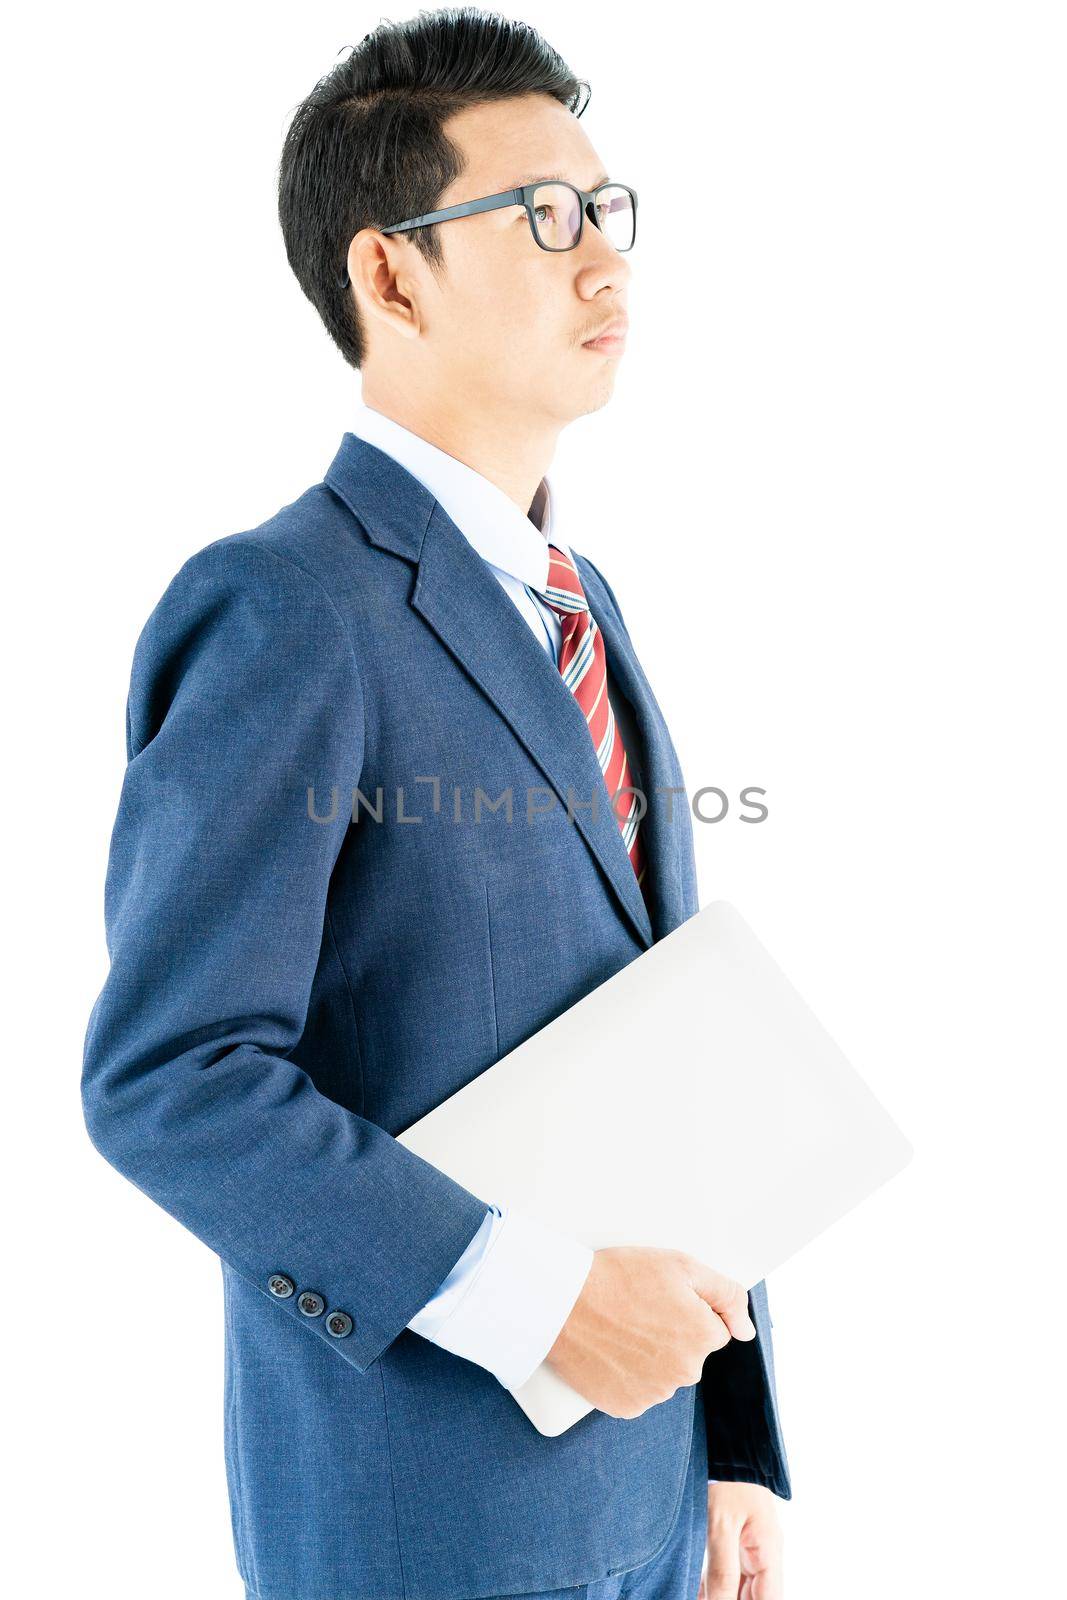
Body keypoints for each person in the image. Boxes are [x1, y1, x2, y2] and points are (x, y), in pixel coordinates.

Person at [81, 9, 791, 1599]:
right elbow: (172, 1079)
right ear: (387, 274)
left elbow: (667, 1041)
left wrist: (731, 1435)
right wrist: (537, 1299)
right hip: (423, 1522)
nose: (605, 263)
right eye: (542, 218)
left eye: (610, 211)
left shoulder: (580, 600)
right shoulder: (283, 607)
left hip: (650, 1502)